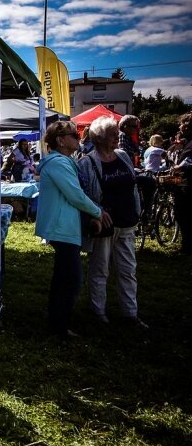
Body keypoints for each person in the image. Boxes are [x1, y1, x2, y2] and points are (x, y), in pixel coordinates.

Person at [35, 121, 109, 339]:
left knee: (63, 277)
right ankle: (58, 327)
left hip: (65, 226)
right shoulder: (59, 163)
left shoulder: (64, 162)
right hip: (62, 227)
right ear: (61, 140)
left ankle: (57, 323)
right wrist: (98, 212)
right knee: (71, 279)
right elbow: (75, 195)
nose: (78, 138)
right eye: (74, 136)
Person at [78, 117, 146, 328]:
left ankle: (130, 314)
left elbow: (132, 185)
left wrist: (137, 209)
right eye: (113, 134)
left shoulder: (123, 156)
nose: (118, 137)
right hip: (104, 225)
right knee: (100, 269)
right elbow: (82, 194)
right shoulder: (87, 162)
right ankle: (98, 313)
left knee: (128, 269)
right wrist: (96, 212)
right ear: (99, 138)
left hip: (127, 222)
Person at [170, 112, 192, 254]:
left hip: (188, 184)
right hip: (184, 183)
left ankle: (188, 247)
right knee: (183, 214)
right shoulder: (187, 141)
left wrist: (181, 167)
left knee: (185, 214)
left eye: (182, 124)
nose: (180, 126)